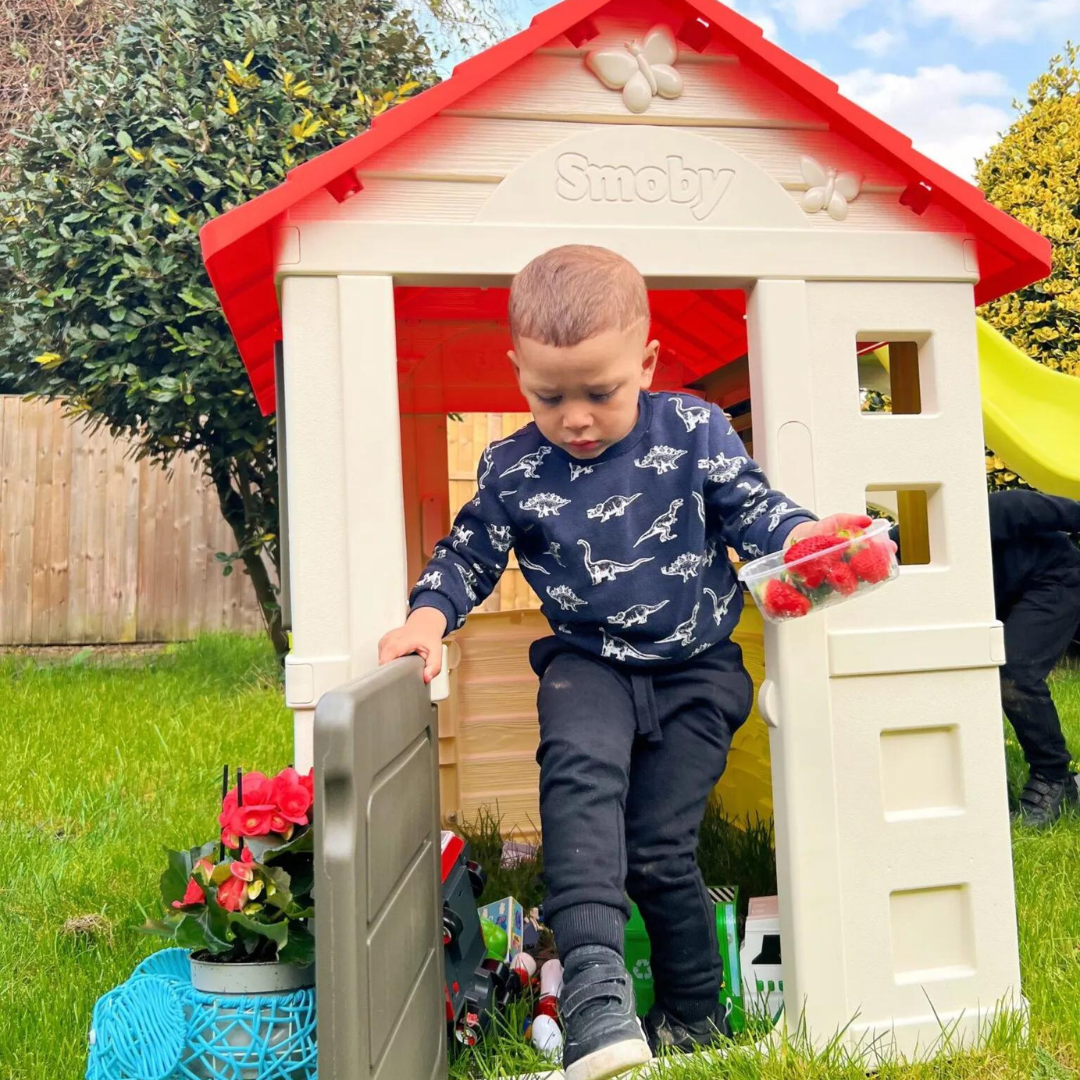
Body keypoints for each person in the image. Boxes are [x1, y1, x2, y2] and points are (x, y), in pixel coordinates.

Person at [379, 245, 870, 1080]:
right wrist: (427, 617)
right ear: (518, 372)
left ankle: (694, 1014)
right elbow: (466, 554)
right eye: (548, 395)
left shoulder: (691, 432)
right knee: (579, 804)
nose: (575, 416)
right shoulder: (511, 468)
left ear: (644, 362)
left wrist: (801, 543)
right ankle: (597, 1003)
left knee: (657, 850)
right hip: (588, 667)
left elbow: (753, 508)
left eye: (600, 392)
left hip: (696, 671)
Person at [891, 490, 1080, 827]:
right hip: (999, 598)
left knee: (1015, 673)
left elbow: (1072, 513)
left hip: (1056, 580)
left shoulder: (998, 510)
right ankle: (983, 783)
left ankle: (1053, 778)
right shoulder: (899, 553)